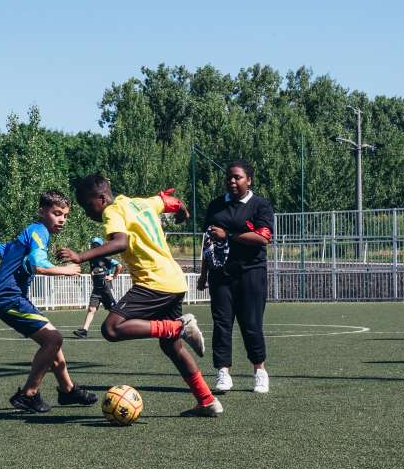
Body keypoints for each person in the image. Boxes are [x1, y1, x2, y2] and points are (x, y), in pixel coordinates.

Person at [58, 174, 220, 417]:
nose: (87, 211)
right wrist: (182, 212)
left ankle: (177, 327)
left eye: (87, 205)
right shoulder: (141, 202)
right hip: (173, 280)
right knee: (172, 348)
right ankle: (207, 400)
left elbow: (120, 242)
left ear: (102, 198)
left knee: (111, 328)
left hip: (154, 282)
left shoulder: (111, 211)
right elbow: (169, 201)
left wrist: (81, 257)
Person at [0, 190, 97, 413]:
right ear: (42, 211)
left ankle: (68, 390)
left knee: (53, 342)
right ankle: (28, 394)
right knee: (53, 340)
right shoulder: (39, 232)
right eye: (56, 213)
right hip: (8, 298)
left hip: (9, 297)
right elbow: (37, 264)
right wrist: (65, 270)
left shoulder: (28, 233)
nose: (62, 219)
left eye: (65, 215)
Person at [196, 160, 274, 394]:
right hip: (221, 275)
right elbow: (208, 241)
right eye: (229, 177)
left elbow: (263, 237)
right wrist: (204, 273)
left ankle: (259, 371)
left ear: (248, 180)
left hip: (251, 273)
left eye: (237, 177)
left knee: (251, 325)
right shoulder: (216, 206)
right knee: (221, 325)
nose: (232, 181)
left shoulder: (260, 205)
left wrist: (228, 235)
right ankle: (223, 373)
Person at [73, 236, 121, 338]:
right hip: (96, 288)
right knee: (91, 309)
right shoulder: (91, 257)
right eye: (93, 245)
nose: (95, 246)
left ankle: (121, 328)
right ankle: (84, 331)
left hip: (106, 287)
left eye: (97, 245)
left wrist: (113, 276)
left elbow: (119, 266)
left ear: (101, 246)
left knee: (113, 309)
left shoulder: (106, 257)